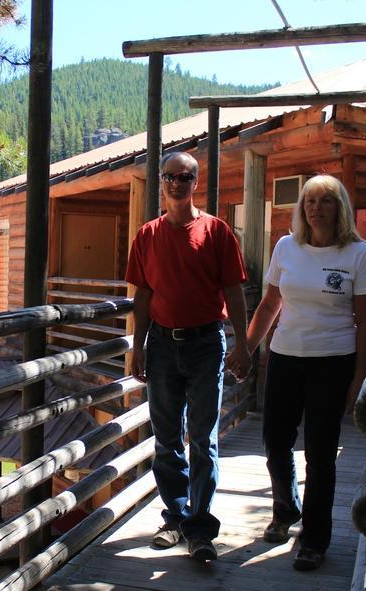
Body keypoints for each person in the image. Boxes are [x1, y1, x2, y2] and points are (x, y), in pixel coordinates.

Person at [246, 175, 366, 571]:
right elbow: (270, 303)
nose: (316, 208)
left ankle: (315, 538)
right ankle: (286, 509)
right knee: (275, 440)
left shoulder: (356, 253)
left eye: (325, 201)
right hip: (285, 357)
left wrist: (359, 377)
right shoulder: (287, 247)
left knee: (321, 453)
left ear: (340, 208)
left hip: (332, 360)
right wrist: (247, 348)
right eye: (309, 201)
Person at [125, 151, 252, 562]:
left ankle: (200, 528)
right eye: (169, 177)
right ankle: (175, 518)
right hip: (161, 345)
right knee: (165, 438)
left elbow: (234, 291)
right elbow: (142, 296)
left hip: (204, 345)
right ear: (161, 183)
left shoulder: (216, 232)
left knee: (202, 436)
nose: (176, 183)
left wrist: (243, 344)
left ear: (196, 182)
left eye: (184, 177)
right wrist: (137, 346)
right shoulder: (147, 235)